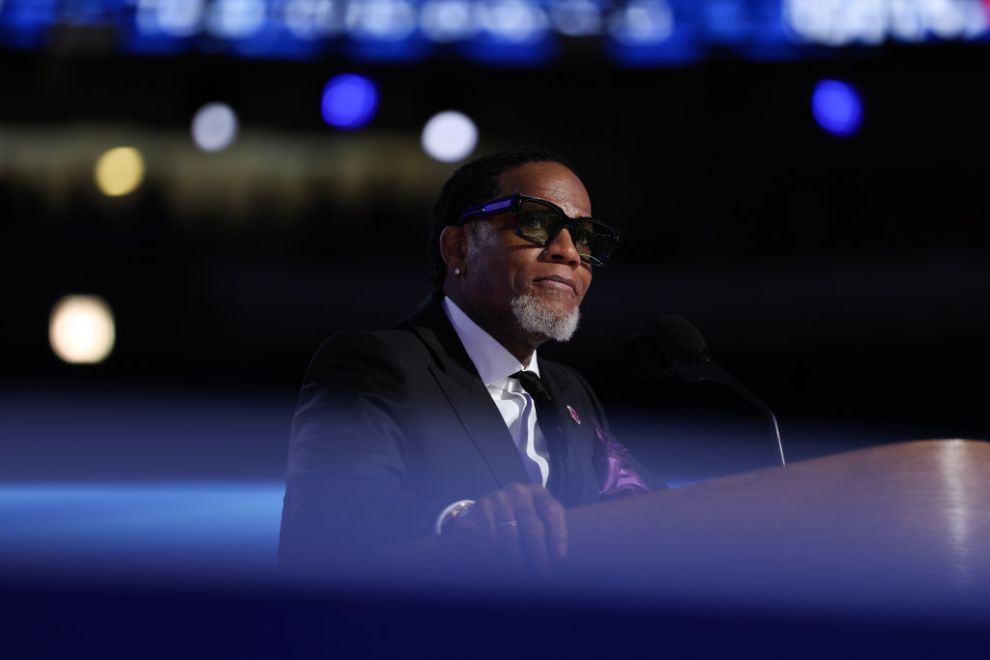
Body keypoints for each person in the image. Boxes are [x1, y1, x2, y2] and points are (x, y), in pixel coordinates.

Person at [278, 148, 659, 575]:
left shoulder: (570, 391)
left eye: (584, 236)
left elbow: (651, 507)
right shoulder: (375, 366)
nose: (570, 252)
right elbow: (322, 519)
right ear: (458, 248)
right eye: (535, 222)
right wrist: (457, 519)